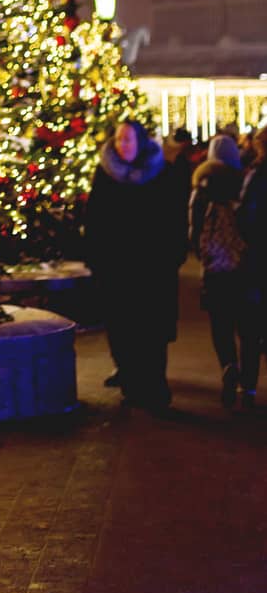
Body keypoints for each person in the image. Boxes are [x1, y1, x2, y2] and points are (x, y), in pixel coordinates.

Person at [85, 119, 188, 413]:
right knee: (123, 330)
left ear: (140, 142)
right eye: (119, 139)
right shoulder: (106, 175)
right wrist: (97, 257)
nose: (123, 145)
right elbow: (95, 220)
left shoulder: (162, 174)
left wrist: (173, 255)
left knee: (152, 332)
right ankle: (132, 384)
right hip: (116, 269)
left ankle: (155, 388)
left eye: (128, 139)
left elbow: (174, 218)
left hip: (153, 269)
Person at [189, 134, 248, 407]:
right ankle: (248, 384)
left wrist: (202, 254)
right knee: (247, 324)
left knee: (220, 322)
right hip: (242, 264)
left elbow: (194, 228)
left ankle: (227, 363)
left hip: (215, 267)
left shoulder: (202, 186)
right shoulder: (244, 182)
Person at [236, 125, 267, 408]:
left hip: (258, 260)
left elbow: (245, 218)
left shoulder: (256, 177)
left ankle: (248, 387)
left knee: (251, 327)